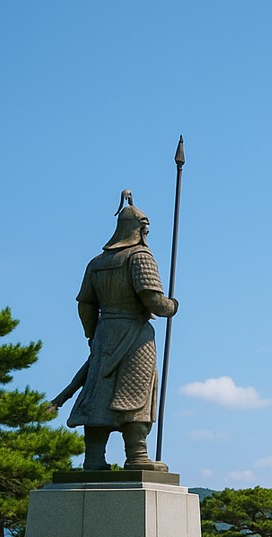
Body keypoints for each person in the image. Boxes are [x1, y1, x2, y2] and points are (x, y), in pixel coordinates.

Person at [65, 190, 177, 471]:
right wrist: (172, 306)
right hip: (135, 334)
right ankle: (137, 456)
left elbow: (85, 305)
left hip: (104, 334)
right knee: (136, 391)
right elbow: (152, 300)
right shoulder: (140, 257)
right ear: (140, 228)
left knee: (98, 395)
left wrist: (92, 335)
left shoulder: (97, 263)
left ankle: (93, 459)